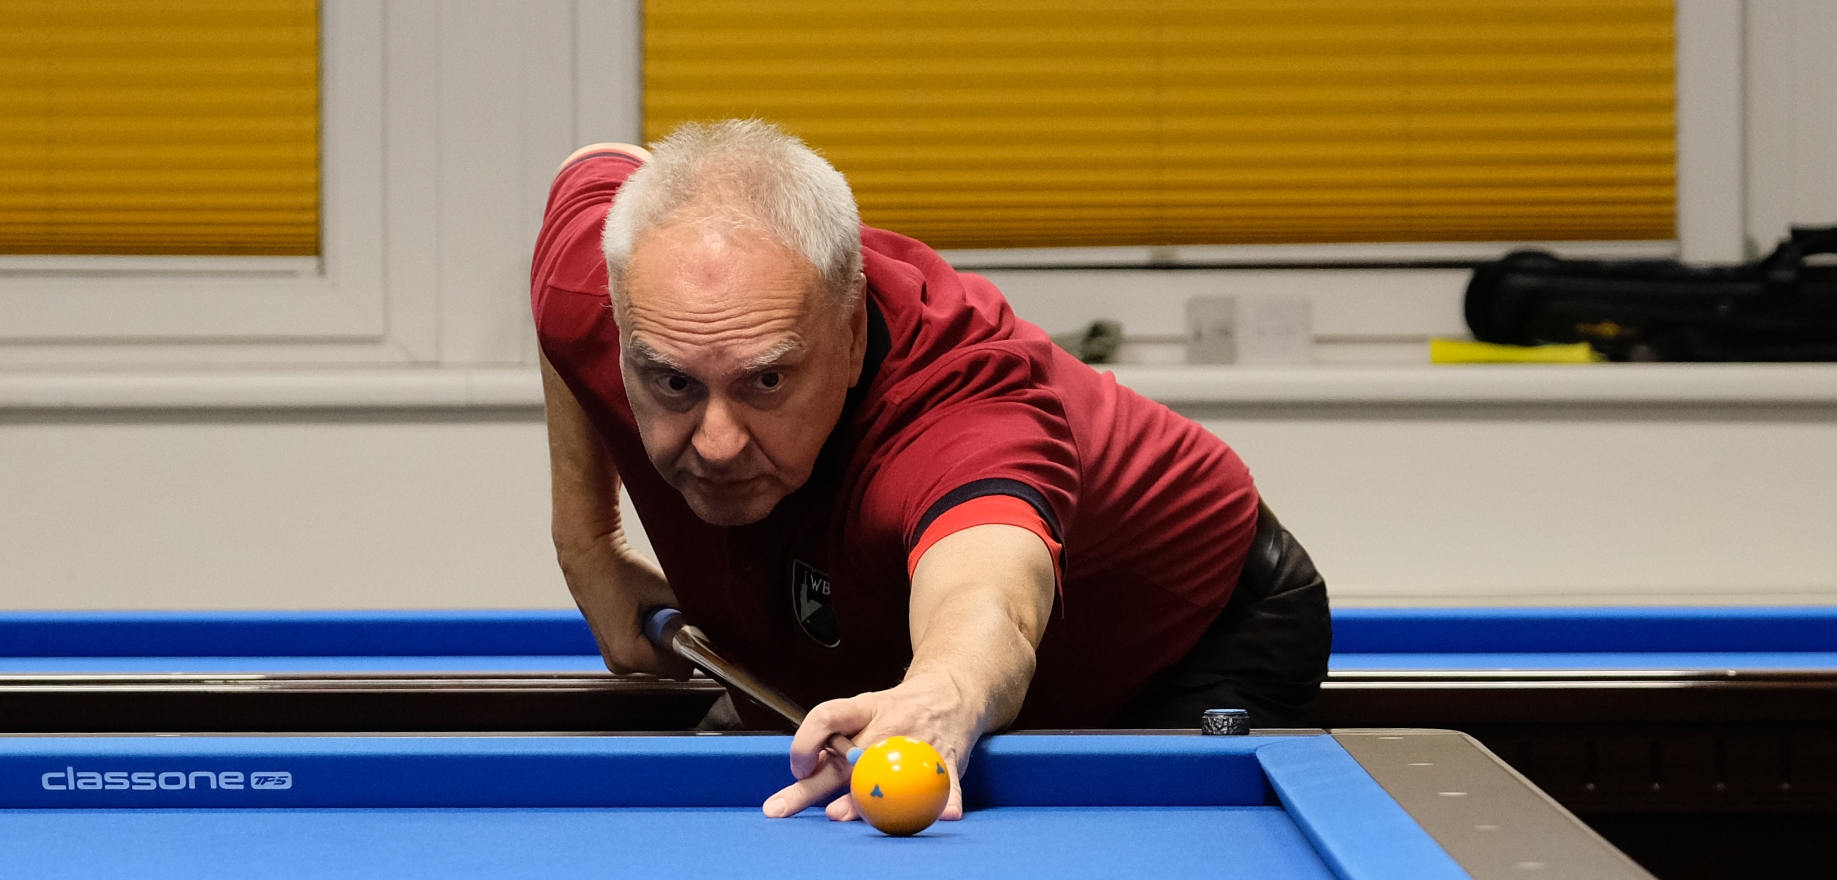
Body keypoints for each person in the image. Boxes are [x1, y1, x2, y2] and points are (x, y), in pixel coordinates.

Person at [532, 119, 1329, 824]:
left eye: (766, 380)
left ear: (849, 337)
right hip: (873, 637)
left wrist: (944, 688)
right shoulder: (615, 287)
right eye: (672, 382)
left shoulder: (962, 413)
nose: (716, 443)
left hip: (1187, 636)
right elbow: (589, 169)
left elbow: (988, 593)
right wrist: (587, 543)